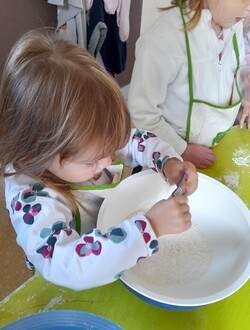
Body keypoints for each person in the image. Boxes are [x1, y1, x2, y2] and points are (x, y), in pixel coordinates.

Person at [0, 29, 198, 291]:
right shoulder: (31, 199)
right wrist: (149, 228)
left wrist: (167, 162)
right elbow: (67, 265)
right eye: (92, 161)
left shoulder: (87, 142)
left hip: (117, 253)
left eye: (110, 148)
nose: (107, 160)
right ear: (39, 151)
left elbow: (135, 140)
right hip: (67, 286)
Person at [128, 0, 250, 169]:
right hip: (168, 157)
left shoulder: (234, 25)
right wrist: (182, 149)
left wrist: (245, 93)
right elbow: (142, 113)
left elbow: (233, 68)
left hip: (216, 144)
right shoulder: (163, 39)